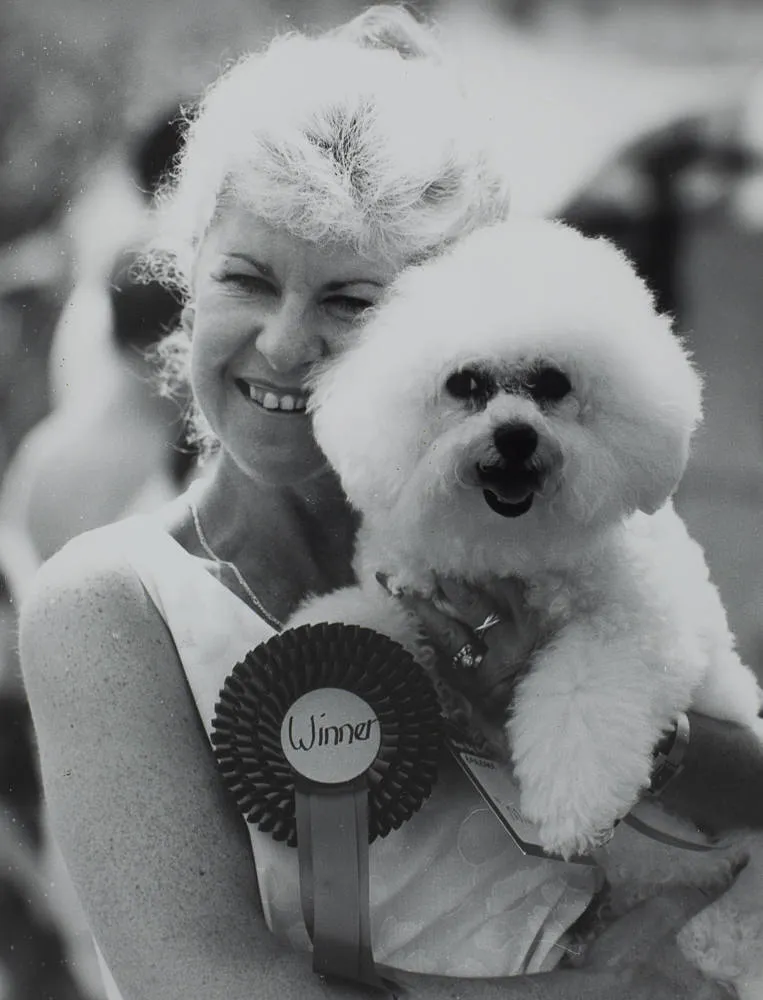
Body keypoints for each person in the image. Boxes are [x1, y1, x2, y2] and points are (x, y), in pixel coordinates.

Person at [17, 7, 762, 1000]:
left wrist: (637, 735)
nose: (284, 343)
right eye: (245, 279)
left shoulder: (560, 507)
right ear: (188, 278)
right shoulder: (111, 603)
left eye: (349, 300)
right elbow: (201, 981)